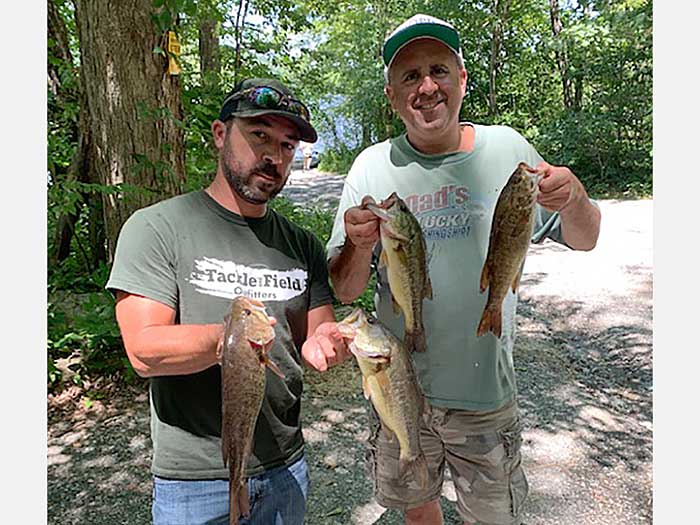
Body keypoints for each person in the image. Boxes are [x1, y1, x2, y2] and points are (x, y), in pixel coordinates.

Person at [326, 14, 601, 525]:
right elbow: (345, 289)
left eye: (438, 70)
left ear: (462, 80)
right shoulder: (369, 167)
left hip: (485, 394)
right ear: (392, 96)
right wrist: (359, 247)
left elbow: (586, 239)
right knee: (418, 510)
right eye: (410, 76)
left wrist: (575, 197)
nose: (426, 87)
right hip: (400, 381)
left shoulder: (509, 150)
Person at [106, 78, 349, 525]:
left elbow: (314, 340)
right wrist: (233, 338)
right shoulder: (159, 227)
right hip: (195, 481)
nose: (274, 156)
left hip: (284, 467)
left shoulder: (301, 245)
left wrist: (328, 345)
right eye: (259, 136)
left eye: (287, 145)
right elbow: (144, 351)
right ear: (221, 134)